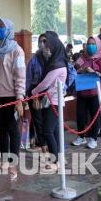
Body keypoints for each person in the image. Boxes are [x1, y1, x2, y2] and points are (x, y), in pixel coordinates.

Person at [0, 18, 25, 181]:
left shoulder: (17, 50)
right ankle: (4, 159)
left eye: (2, 27)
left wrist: (19, 98)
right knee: (1, 129)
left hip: (11, 97)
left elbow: (20, 75)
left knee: (13, 130)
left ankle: (13, 163)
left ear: (9, 30)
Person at [31, 31, 68, 171]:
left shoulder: (57, 65)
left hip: (54, 102)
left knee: (47, 131)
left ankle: (56, 160)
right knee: (54, 130)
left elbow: (45, 83)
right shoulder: (55, 62)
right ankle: (59, 159)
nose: (45, 49)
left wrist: (33, 93)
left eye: (48, 46)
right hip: (51, 101)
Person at [71, 36, 101, 149]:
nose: (90, 46)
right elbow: (74, 68)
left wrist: (95, 72)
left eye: (93, 44)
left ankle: (94, 138)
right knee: (80, 115)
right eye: (89, 43)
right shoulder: (82, 57)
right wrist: (79, 70)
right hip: (82, 90)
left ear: (98, 45)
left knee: (95, 115)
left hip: (96, 92)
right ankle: (81, 137)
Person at [26, 35, 47, 152]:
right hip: (34, 91)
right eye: (40, 41)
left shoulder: (52, 58)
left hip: (48, 91)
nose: (42, 44)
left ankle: (42, 141)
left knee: (45, 119)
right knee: (37, 118)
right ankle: (40, 144)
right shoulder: (34, 60)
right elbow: (28, 79)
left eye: (45, 41)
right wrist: (28, 94)